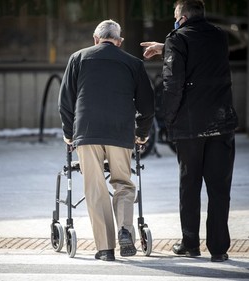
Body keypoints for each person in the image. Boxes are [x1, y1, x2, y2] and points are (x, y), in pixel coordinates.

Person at [140, 0, 238, 262]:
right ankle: (219, 249)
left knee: (190, 185)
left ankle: (190, 243)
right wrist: (167, 48)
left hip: (191, 126)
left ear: (182, 17)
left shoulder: (177, 38)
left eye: (175, 16)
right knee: (219, 188)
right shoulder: (219, 36)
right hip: (222, 123)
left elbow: (173, 84)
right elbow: (201, 56)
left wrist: (169, 119)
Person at [58, 19, 154, 261]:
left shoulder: (78, 58)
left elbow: (66, 101)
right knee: (123, 183)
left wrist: (69, 133)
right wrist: (141, 133)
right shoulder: (133, 63)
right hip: (120, 133)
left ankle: (105, 248)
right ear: (119, 42)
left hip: (87, 133)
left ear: (95, 39)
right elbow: (147, 105)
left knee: (95, 188)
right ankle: (124, 229)